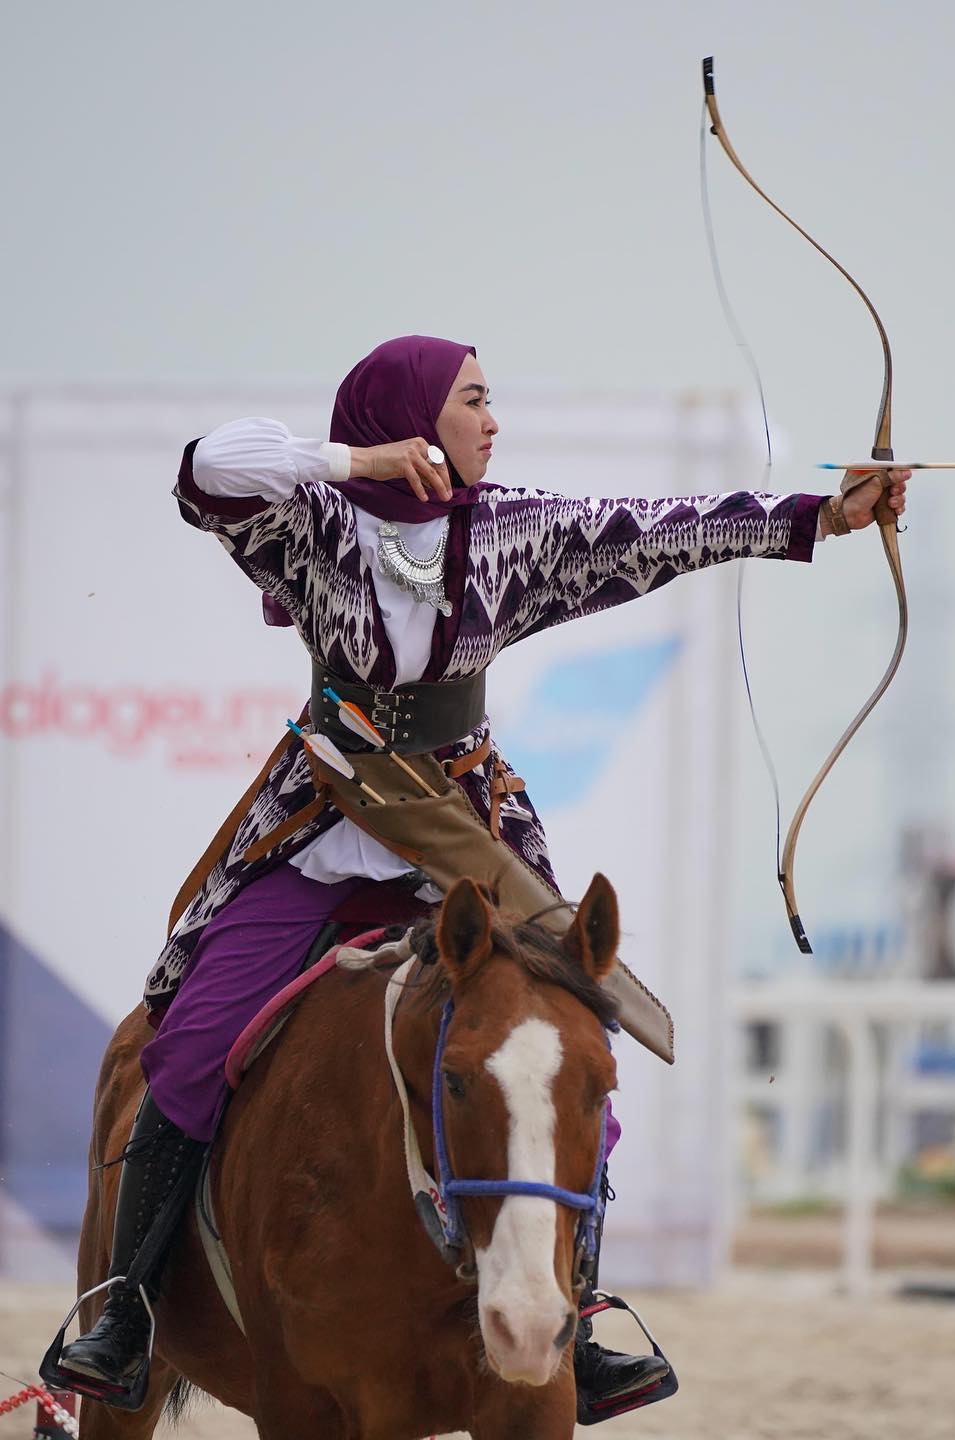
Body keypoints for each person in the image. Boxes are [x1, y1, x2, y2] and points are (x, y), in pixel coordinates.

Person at [47, 334, 908, 1411]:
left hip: (461, 829)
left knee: (573, 1042)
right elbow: (210, 466)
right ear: (408, 418)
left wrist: (823, 516)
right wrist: (353, 463)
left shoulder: (508, 529)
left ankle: (578, 1316)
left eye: (491, 401)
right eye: (471, 400)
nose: (493, 422)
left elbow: (666, 529)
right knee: (185, 1047)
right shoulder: (313, 520)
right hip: (317, 826)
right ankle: (127, 1309)